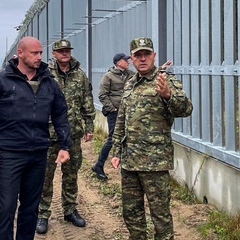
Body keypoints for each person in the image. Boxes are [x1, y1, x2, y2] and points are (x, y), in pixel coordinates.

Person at [0, 36, 72, 240]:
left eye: (40, 53)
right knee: (6, 207)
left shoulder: (48, 82)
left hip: (37, 154)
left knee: (30, 207)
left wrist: (65, 145)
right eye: (34, 53)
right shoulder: (0, 81)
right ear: (20, 53)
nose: (38, 57)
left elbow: (60, 113)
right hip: (9, 154)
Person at [111, 37, 193, 240]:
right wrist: (115, 150)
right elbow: (122, 117)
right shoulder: (130, 82)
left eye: (146, 54)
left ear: (154, 56)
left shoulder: (165, 80)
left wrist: (168, 96)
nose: (143, 59)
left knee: (160, 216)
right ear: (131, 58)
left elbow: (186, 109)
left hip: (154, 163)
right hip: (130, 162)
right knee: (131, 212)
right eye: (138, 55)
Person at [36, 39, 95, 234]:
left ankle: (69, 209)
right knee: (45, 176)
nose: (64, 53)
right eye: (60, 51)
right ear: (53, 54)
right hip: (48, 134)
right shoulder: (44, 75)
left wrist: (89, 125)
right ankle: (42, 213)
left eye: (67, 50)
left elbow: (87, 100)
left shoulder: (79, 75)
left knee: (71, 174)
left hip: (72, 134)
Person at [91, 53, 135, 180]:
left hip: (128, 112)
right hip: (115, 113)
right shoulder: (108, 76)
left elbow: (146, 75)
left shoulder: (130, 74)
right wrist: (112, 109)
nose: (128, 61)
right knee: (112, 139)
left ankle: (128, 168)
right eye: (125, 60)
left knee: (129, 138)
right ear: (118, 62)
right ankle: (99, 165)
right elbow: (102, 95)